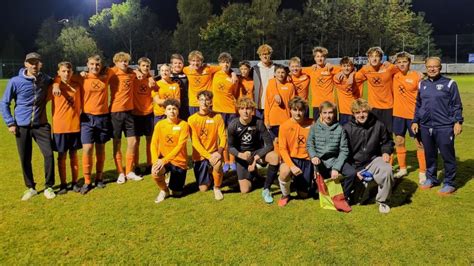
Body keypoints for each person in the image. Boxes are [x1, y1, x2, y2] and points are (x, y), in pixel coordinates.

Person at [1, 52, 56, 200]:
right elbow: (4, 103)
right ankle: (30, 187)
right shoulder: (15, 81)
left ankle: (49, 186)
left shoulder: (45, 79)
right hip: (21, 126)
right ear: (25, 64)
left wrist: (56, 83)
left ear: (40, 64)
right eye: (31, 62)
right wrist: (10, 123)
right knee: (25, 157)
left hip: (41, 125)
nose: (34, 65)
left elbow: (56, 80)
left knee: (49, 155)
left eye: (36, 62)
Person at [412, 57, 463, 195]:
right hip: (426, 126)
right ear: (426, 68)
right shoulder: (422, 84)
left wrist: (458, 122)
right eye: (429, 67)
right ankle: (431, 178)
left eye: (435, 66)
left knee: (447, 155)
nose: (432, 69)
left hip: (444, 126)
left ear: (440, 68)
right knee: (430, 155)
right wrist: (415, 121)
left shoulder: (450, 83)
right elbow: (418, 105)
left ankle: (449, 182)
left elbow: (456, 105)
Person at [341, 99, 394, 213]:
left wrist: (385, 151)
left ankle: (382, 201)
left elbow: (388, 141)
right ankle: (365, 186)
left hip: (373, 161)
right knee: (359, 201)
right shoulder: (346, 128)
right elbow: (342, 153)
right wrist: (354, 171)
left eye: (364, 111)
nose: (361, 115)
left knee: (387, 169)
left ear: (368, 112)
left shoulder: (378, 125)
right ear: (353, 114)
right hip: (355, 165)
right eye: (358, 112)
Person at [227, 97, 279, 203]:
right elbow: (230, 147)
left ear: (252, 110)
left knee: (274, 157)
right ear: (238, 110)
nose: (245, 111)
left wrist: (255, 158)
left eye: (248, 108)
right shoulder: (233, 125)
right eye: (242, 108)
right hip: (242, 156)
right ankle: (254, 176)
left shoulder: (258, 122)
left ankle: (266, 188)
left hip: (257, 153)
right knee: (245, 190)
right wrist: (240, 155)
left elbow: (269, 145)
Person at [306, 101, 350, 208]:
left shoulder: (340, 129)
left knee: (351, 173)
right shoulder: (314, 128)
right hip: (319, 161)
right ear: (320, 114)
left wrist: (336, 167)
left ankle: (344, 196)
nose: (328, 116)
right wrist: (314, 156)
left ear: (334, 114)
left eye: (330, 113)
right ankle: (322, 189)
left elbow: (344, 150)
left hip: (335, 160)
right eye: (324, 113)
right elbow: (309, 145)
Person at [391, 52, 426, 182]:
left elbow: (423, 95)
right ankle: (402, 168)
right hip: (398, 115)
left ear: (409, 63)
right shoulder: (394, 75)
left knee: (420, 143)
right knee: (399, 141)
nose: (402, 64)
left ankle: (423, 171)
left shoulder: (417, 76)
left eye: (404, 62)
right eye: (399, 62)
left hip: (413, 116)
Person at [188, 91, 226, 200]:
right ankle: (211, 173)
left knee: (217, 164)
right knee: (203, 188)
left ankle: (217, 187)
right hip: (199, 156)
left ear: (211, 101)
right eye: (202, 99)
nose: (204, 102)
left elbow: (223, 136)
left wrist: (219, 153)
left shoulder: (217, 117)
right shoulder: (192, 119)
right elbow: (195, 142)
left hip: (214, 153)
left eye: (207, 99)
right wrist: (209, 157)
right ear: (198, 101)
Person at [51, 62, 82, 195]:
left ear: (72, 72)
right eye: (63, 71)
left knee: (74, 155)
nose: (66, 73)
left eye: (68, 71)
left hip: (74, 126)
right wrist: (56, 83)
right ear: (58, 72)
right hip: (60, 127)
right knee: (61, 156)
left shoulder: (77, 86)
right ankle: (63, 184)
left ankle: (75, 182)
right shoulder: (54, 87)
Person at [151, 98, 190, 203]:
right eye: (169, 109)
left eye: (174, 109)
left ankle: (172, 181)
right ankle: (164, 190)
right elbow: (154, 144)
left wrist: (164, 160)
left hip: (179, 162)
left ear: (178, 111)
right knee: (155, 171)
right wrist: (156, 161)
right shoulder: (160, 125)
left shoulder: (184, 125)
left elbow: (180, 146)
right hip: (164, 159)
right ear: (165, 111)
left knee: (177, 194)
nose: (172, 111)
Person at [277, 97, 313, 206]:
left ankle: (298, 183)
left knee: (303, 195)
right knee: (284, 171)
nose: (298, 113)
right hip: (292, 159)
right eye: (295, 110)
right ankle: (285, 194)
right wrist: (291, 166)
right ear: (290, 110)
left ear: (304, 110)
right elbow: (282, 149)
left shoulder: (312, 124)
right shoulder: (284, 126)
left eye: (301, 110)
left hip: (307, 160)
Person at [355, 47, 399, 133]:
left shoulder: (389, 67)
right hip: (373, 107)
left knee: (388, 134)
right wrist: (341, 72)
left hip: (388, 107)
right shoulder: (365, 70)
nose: (374, 59)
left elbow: (403, 73)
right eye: (371, 56)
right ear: (368, 58)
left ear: (381, 58)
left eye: (377, 56)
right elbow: (354, 78)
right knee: (374, 134)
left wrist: (418, 74)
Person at [211, 52, 239, 172]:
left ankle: (232, 160)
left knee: (231, 136)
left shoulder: (234, 78)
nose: (225, 64)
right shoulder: (214, 74)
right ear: (219, 63)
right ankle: (225, 161)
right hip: (217, 110)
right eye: (223, 62)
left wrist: (233, 73)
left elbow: (236, 94)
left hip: (231, 110)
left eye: (227, 62)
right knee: (221, 137)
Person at [132, 57, 158, 176]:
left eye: (147, 66)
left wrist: (151, 78)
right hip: (136, 114)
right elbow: (127, 70)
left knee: (150, 140)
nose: (145, 68)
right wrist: (136, 71)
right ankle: (135, 165)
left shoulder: (151, 81)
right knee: (136, 141)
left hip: (148, 113)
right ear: (139, 66)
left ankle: (149, 163)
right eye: (143, 66)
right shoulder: (134, 77)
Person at [302, 46, 340, 119]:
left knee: (331, 127)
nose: (320, 58)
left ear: (325, 58)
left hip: (330, 103)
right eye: (318, 56)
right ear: (314, 58)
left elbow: (347, 69)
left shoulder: (331, 68)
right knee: (318, 127)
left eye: (322, 56)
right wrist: (288, 75)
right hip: (317, 104)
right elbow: (295, 71)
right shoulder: (311, 69)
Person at [264, 65, 296, 140]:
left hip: (286, 119)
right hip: (273, 120)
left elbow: (293, 104)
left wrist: (293, 118)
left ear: (286, 74)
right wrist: (266, 120)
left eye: (282, 72)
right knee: (275, 144)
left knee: (286, 142)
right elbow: (267, 104)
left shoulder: (290, 86)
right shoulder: (270, 85)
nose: (280, 74)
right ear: (274, 74)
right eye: (278, 72)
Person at [333, 57, 361, 125]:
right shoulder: (337, 78)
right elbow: (334, 73)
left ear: (352, 67)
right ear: (341, 67)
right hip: (343, 112)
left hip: (355, 110)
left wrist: (352, 74)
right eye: (344, 66)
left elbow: (366, 71)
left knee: (355, 133)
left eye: (348, 66)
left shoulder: (357, 76)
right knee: (343, 133)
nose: (346, 68)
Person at [252, 44, 276, 119]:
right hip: (259, 104)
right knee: (260, 127)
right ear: (259, 56)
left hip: (273, 103)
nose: (265, 56)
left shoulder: (276, 68)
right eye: (262, 54)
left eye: (267, 54)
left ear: (270, 55)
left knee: (272, 127)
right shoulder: (254, 69)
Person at [169, 54, 190, 121]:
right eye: (175, 63)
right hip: (171, 106)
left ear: (183, 64)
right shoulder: (166, 75)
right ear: (171, 64)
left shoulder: (187, 75)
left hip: (185, 105)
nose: (177, 65)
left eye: (180, 63)